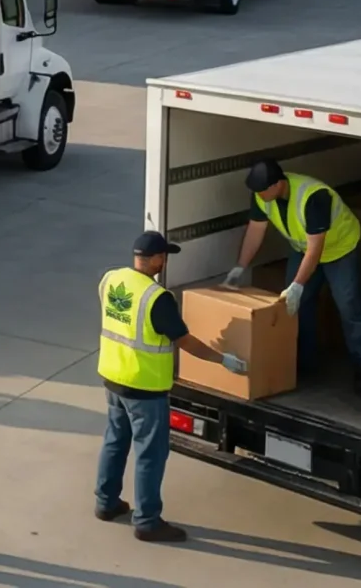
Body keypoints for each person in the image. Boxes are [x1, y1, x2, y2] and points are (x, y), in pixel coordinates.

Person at [98, 230, 247, 545]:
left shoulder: (111, 280)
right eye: (163, 256)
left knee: (115, 441)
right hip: (144, 387)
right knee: (150, 455)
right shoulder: (157, 298)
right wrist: (222, 360)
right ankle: (148, 522)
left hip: (113, 377)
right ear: (153, 259)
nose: (165, 261)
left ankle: (106, 502)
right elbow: (186, 341)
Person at [223, 159, 361, 370]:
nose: (259, 196)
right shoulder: (262, 195)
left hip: (340, 250)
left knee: (349, 307)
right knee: (295, 305)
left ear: (277, 184)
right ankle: (302, 363)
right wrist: (240, 266)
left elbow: (316, 248)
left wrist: (298, 284)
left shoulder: (313, 197)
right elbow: (255, 230)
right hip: (303, 249)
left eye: (262, 191)